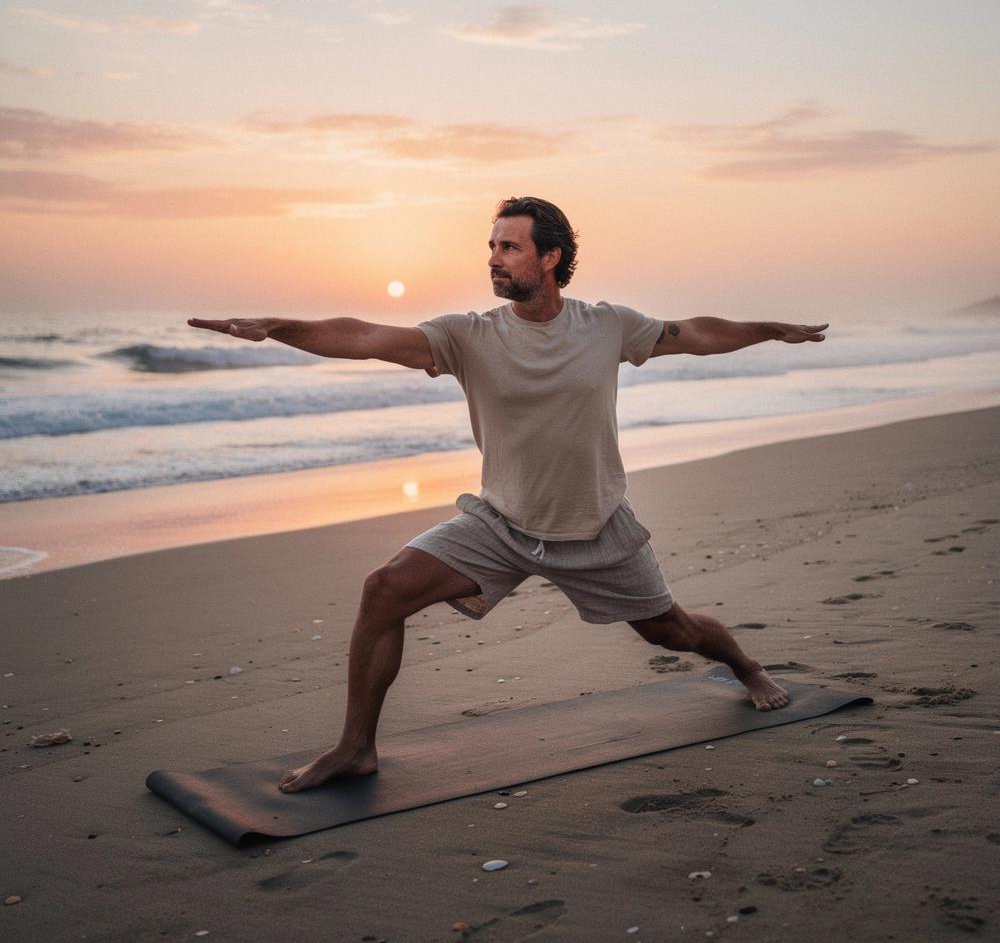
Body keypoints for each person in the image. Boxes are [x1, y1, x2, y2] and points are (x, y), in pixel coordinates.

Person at [189, 196, 828, 793]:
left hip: (595, 524)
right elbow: (362, 337)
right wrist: (275, 326)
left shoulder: (607, 326)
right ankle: (356, 747)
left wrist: (770, 329)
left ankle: (747, 668)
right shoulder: (468, 335)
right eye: (491, 247)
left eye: (510, 248)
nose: (494, 259)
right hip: (501, 521)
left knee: (672, 631)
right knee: (383, 590)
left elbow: (693, 332)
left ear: (550, 258)